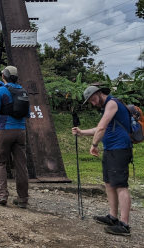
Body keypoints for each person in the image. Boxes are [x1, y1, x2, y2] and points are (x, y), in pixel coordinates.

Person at [72, 85, 133, 236]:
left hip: (120, 148)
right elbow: (98, 128)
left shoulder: (112, 103)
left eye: (93, 99)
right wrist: (81, 132)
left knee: (120, 185)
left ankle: (124, 224)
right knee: (109, 183)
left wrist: (94, 145)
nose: (93, 103)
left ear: (99, 93)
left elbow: (101, 127)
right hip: (111, 149)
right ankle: (112, 217)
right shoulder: (106, 106)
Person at [0, 66, 28, 208]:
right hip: (21, 131)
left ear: (4, 76)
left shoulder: (0, 91)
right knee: (21, 166)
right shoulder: (24, 91)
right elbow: (27, 114)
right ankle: (23, 199)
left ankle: (2, 195)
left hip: (4, 130)